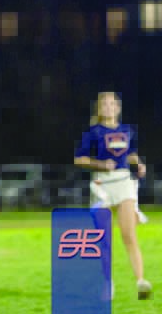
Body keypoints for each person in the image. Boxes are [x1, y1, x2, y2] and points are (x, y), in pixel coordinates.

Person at [74, 91, 152, 300]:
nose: (108, 107)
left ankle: (141, 281)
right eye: (104, 104)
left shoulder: (127, 130)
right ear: (99, 109)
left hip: (124, 182)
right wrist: (100, 164)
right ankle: (107, 283)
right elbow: (79, 159)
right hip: (102, 185)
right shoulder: (93, 132)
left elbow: (130, 153)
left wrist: (139, 164)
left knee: (129, 235)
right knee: (103, 239)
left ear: (118, 108)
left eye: (112, 104)